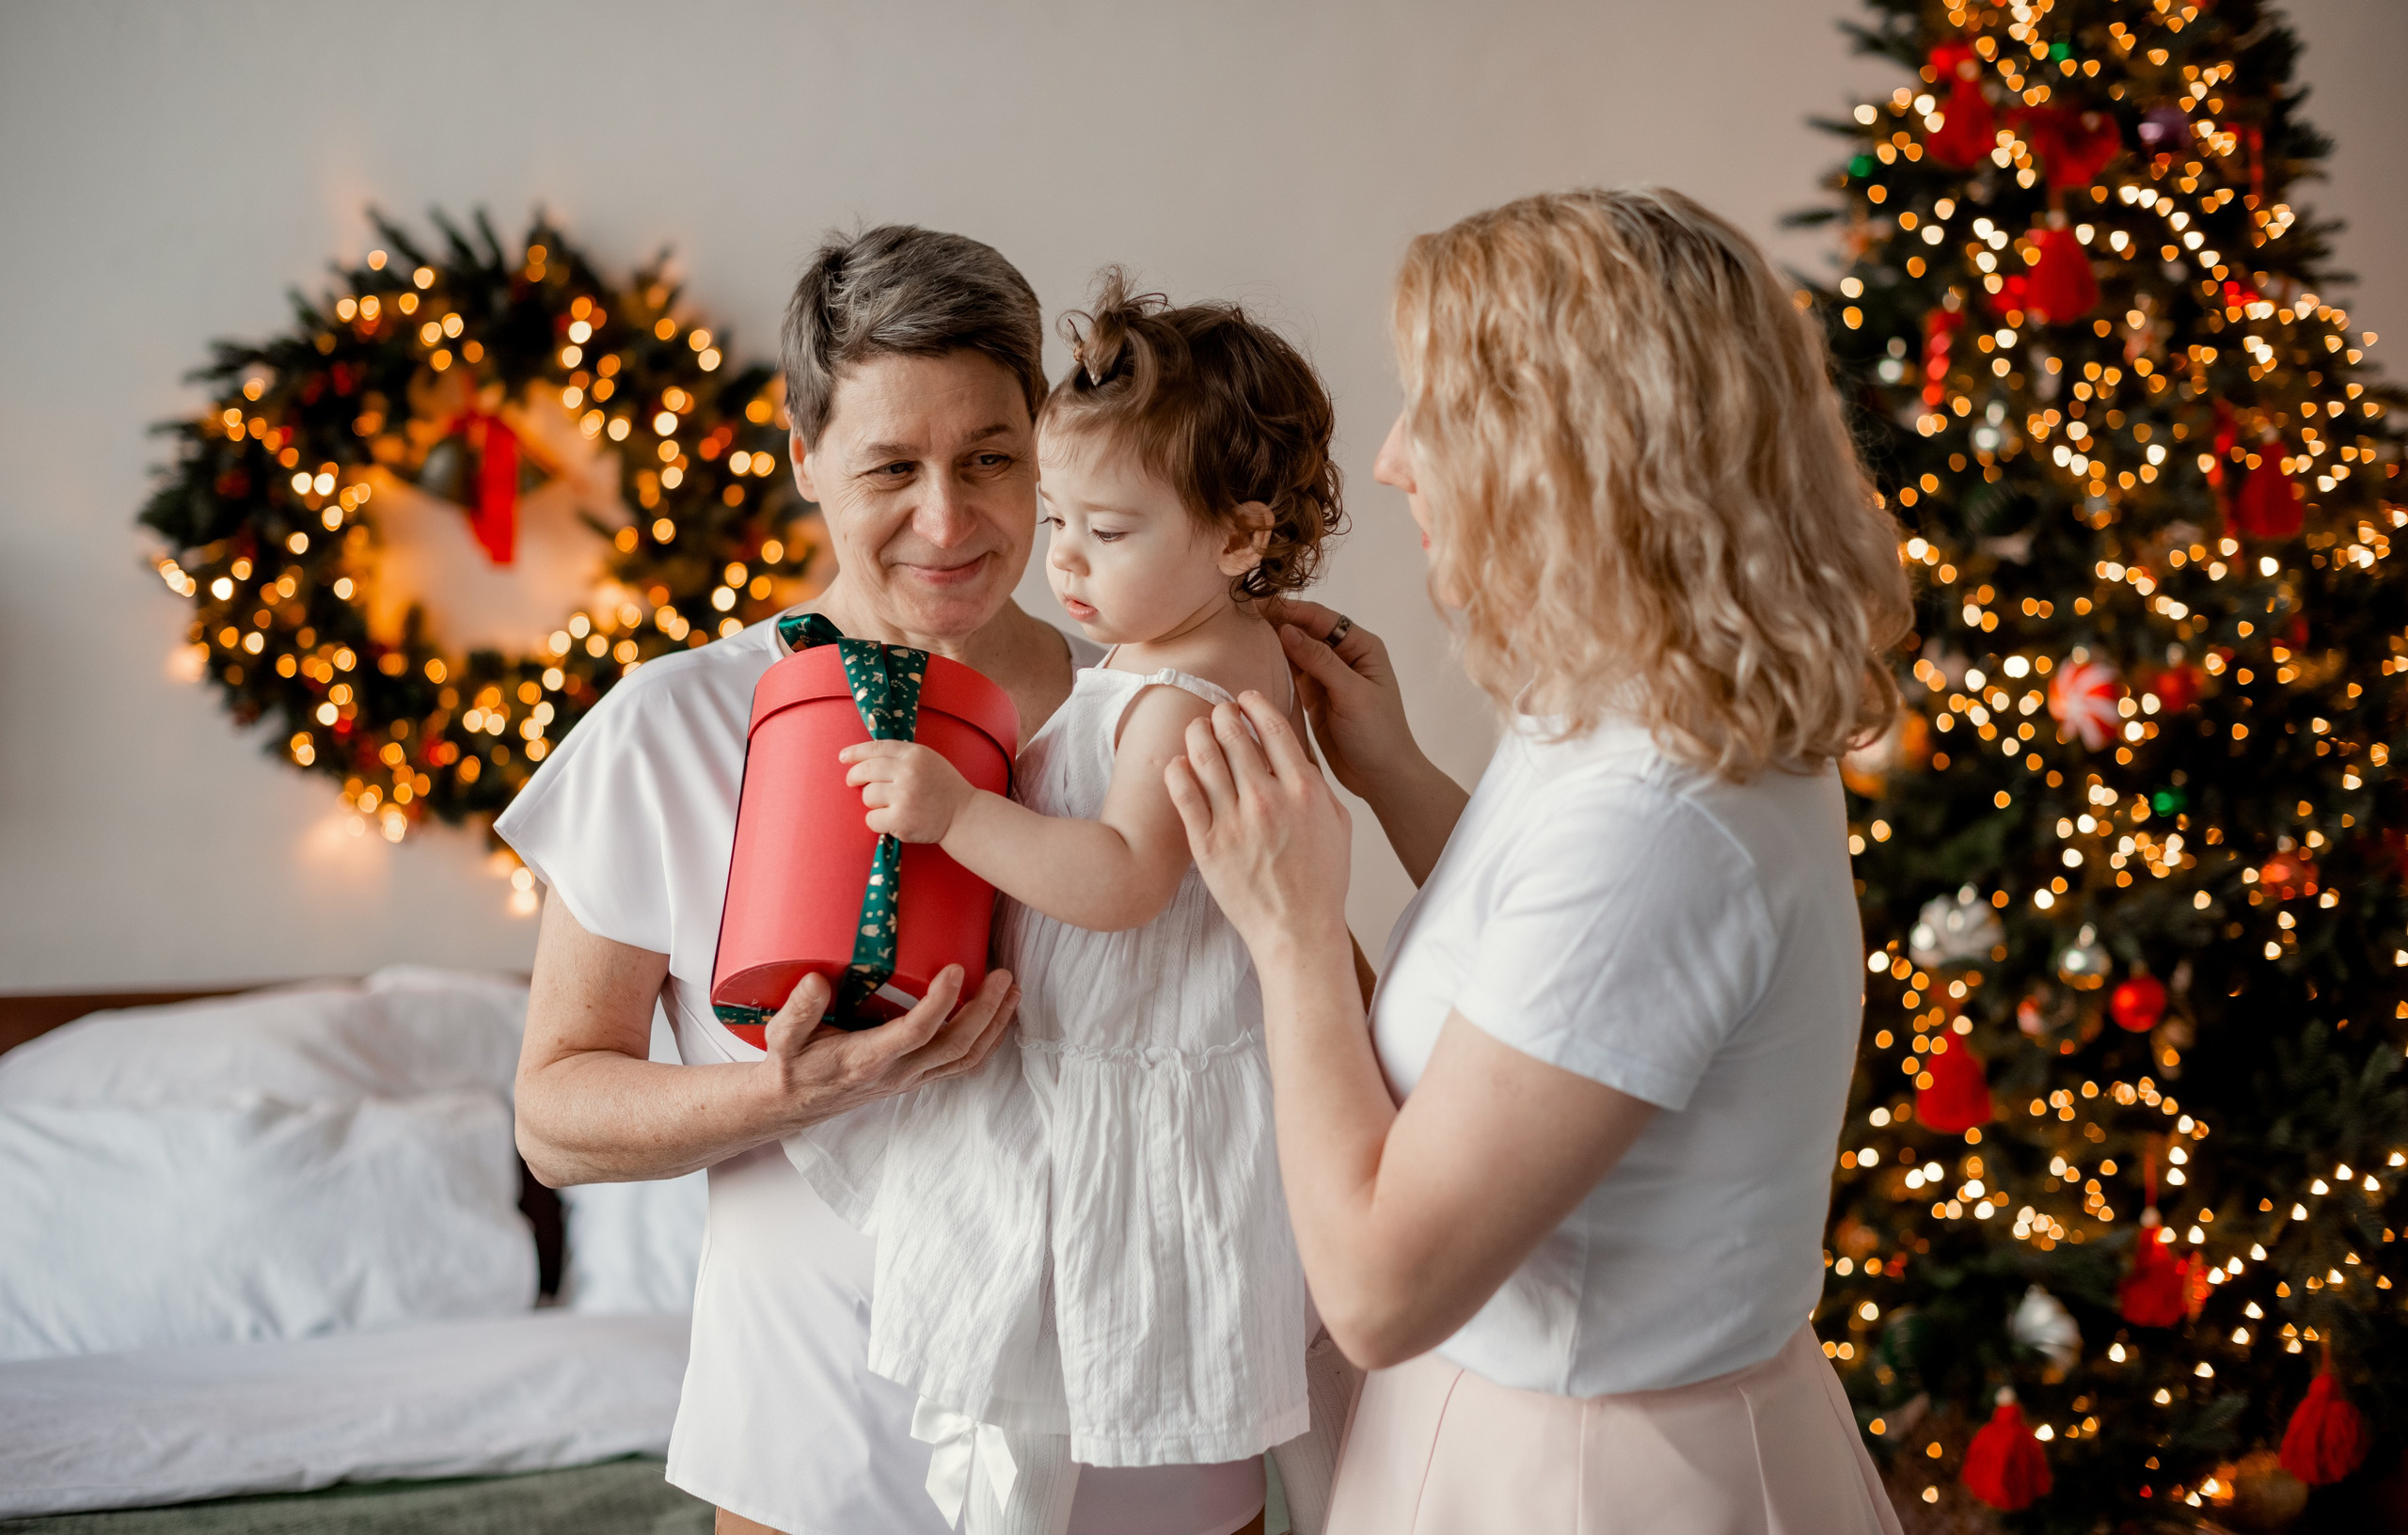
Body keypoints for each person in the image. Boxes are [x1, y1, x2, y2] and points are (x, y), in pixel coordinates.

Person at [1164, 188, 1914, 1533]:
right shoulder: (1653, 690)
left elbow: (1381, 1290)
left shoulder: (1661, 822)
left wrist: (1290, 933)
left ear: (1571, 452)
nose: (1393, 460)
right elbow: (1564, 1001)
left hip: (1583, 1482)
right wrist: (1392, 773)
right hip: (1535, 1433)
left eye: (1437, 413)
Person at [503, 226, 1271, 1535]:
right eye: (891, 467)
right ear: (805, 456)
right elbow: (556, 1116)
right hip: (820, 1449)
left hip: (1147, 1436)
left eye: (989, 459)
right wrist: (788, 1088)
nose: (948, 518)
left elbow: (1300, 1025)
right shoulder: (675, 727)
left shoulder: (1153, 714)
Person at [793, 274, 1355, 1535]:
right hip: (1130, 1066)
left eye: (1107, 530)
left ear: (1237, 536)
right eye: (1056, 521)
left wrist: (956, 813)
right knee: (1105, 1429)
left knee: (1082, 1401)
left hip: (1126, 1091)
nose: (1066, 565)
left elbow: (1119, 878)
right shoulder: (1202, 648)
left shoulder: (1172, 696)